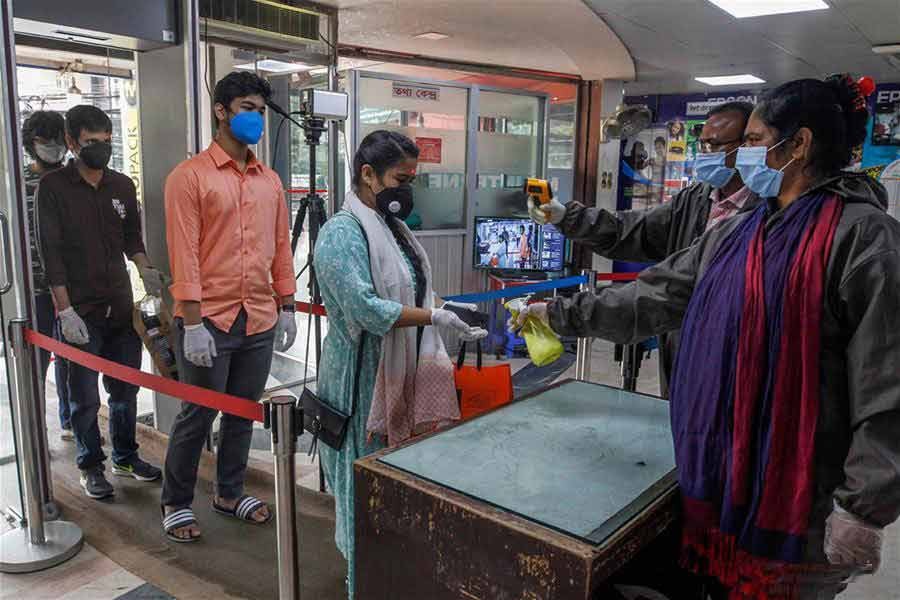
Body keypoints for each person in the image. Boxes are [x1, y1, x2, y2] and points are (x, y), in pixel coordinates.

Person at [514, 75, 900, 599]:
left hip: (800, 497)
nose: (744, 155)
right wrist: (557, 313)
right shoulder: (739, 231)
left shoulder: (863, 239)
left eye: (756, 141)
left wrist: (864, 505)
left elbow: (888, 383)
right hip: (720, 474)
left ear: (799, 145)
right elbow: (650, 297)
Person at [313, 130, 487, 598]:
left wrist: (450, 311)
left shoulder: (391, 226)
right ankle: (361, 583)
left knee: (396, 485)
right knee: (360, 489)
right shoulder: (340, 234)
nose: (406, 189)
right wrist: (433, 316)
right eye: (399, 178)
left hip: (399, 371)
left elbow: (412, 288)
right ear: (367, 175)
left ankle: (392, 573)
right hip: (360, 383)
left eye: (413, 178)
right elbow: (368, 310)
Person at [529, 102, 758, 396]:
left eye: (715, 145)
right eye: (702, 144)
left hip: (734, 359)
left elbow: (661, 294)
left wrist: (564, 314)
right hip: (681, 354)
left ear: (748, 147)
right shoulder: (696, 201)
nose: (705, 153)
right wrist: (565, 216)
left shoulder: (762, 216)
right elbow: (628, 231)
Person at [161, 71, 297, 543]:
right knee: (197, 414)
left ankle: (228, 491)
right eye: (246, 108)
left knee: (242, 409)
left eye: (260, 110)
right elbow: (186, 253)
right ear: (221, 111)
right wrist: (193, 322)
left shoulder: (272, 181)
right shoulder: (190, 177)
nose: (255, 118)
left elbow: (280, 245)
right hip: (209, 321)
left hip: (258, 315)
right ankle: (176, 501)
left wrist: (289, 304)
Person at [37, 105, 165, 499]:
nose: (100, 149)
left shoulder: (122, 185)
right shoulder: (54, 188)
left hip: (119, 306)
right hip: (80, 311)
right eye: (91, 142)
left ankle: (125, 456)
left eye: (106, 141)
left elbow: (132, 240)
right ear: (73, 142)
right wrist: (65, 309)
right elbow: (51, 253)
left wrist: (146, 270)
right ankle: (90, 464)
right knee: (85, 398)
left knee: (125, 389)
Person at [23, 110, 72, 439]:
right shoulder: (17, 185)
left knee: (73, 364)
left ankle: (70, 422)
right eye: (45, 141)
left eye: (58, 139)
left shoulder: (76, 181)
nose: (53, 147)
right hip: (34, 291)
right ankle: (35, 432)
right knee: (35, 365)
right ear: (31, 144)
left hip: (73, 289)